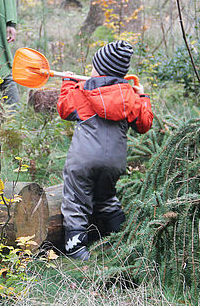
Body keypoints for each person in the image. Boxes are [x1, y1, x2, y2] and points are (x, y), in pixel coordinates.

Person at [56, 40, 154, 260]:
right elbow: (144, 125)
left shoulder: (82, 92)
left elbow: (63, 108)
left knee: (75, 199)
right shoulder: (130, 97)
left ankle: (76, 247)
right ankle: (119, 237)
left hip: (83, 160)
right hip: (114, 163)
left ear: (98, 69)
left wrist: (68, 83)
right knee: (107, 197)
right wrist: (143, 97)